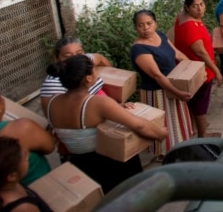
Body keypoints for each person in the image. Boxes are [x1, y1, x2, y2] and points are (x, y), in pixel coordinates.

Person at [45, 55, 166, 193]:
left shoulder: (53, 102)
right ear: (88, 78)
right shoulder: (97, 103)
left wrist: (117, 108)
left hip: (80, 166)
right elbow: (140, 125)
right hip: (112, 164)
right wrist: (160, 133)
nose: (97, 72)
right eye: (94, 70)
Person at [129, 10, 195, 155]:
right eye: (141, 25)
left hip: (173, 86)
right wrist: (177, 93)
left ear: (155, 23)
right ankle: (166, 158)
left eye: (149, 23)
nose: (146, 28)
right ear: (135, 28)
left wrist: (194, 72)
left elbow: (177, 54)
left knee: (178, 126)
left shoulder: (160, 35)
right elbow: (157, 75)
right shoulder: (139, 49)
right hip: (157, 94)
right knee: (164, 129)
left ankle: (180, 153)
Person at [173, 0, 223, 138]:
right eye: (195, 6)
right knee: (200, 103)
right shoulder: (190, 27)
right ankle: (203, 134)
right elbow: (200, 52)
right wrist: (217, 71)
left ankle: (194, 128)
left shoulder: (183, 17)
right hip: (200, 71)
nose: (200, 9)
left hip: (189, 68)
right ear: (187, 7)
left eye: (201, 4)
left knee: (194, 102)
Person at [38, 36, 110, 113]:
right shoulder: (53, 85)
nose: (76, 59)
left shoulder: (85, 61)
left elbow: (100, 58)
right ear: (56, 58)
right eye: (68, 56)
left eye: (79, 53)